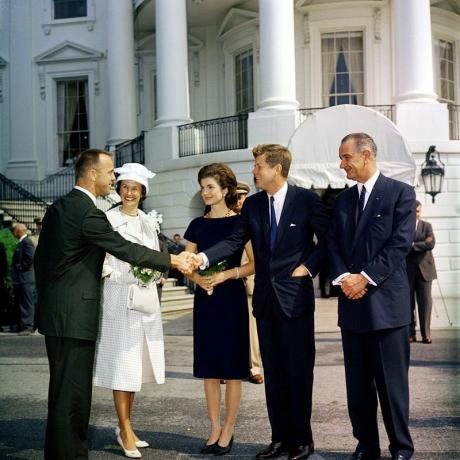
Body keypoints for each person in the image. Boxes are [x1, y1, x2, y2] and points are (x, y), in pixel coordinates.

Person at [34, 149, 193, 460]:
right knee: (74, 396)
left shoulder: (59, 207)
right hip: (75, 316)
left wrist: (53, 298)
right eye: (109, 173)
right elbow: (122, 248)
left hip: (58, 313)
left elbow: (43, 262)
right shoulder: (88, 212)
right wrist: (171, 259)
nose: (113, 179)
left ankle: (60, 451)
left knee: (63, 392)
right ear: (92, 174)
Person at [194, 145, 329, 460]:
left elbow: (328, 240)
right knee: (275, 375)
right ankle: (279, 439)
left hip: (295, 300)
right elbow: (233, 241)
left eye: (257, 166)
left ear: (276, 168)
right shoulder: (253, 205)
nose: (253, 171)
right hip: (266, 303)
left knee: (297, 372)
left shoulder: (306, 200)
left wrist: (307, 267)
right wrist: (202, 257)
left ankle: (302, 441)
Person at [327, 133, 415, 460]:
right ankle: (366, 446)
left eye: (346, 157)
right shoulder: (343, 200)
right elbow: (332, 243)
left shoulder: (400, 194)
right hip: (351, 308)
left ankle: (401, 449)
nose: (341, 164)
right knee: (358, 389)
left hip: (387, 310)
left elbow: (399, 244)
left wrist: (364, 278)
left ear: (366, 155)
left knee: (392, 388)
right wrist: (342, 278)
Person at [93, 163, 166, 458]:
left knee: (134, 367)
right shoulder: (108, 219)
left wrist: (154, 274)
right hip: (120, 298)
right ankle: (124, 429)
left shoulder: (148, 221)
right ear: (119, 190)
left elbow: (157, 256)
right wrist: (125, 275)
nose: (129, 193)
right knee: (122, 365)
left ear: (142, 192)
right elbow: (102, 262)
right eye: (124, 188)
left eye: (135, 189)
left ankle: (127, 425)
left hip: (145, 300)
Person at [184, 163, 254, 456]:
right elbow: (186, 263)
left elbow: (255, 263)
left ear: (226, 190)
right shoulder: (197, 225)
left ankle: (228, 430)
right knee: (210, 370)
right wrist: (199, 280)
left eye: (210, 187)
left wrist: (227, 275)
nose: (205, 192)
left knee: (233, 370)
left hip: (231, 300)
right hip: (206, 300)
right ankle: (213, 428)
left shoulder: (240, 223)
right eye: (202, 187)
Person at [235, 180, 263, 385]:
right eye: (234, 196)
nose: (237, 201)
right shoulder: (224, 218)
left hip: (250, 281)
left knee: (252, 330)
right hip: (228, 280)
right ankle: (229, 368)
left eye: (241, 196)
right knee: (229, 327)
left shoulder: (254, 217)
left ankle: (253, 368)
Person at [406, 200, 437, 344]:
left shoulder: (427, 226)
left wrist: (412, 245)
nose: (417, 214)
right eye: (415, 211)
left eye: (419, 211)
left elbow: (430, 243)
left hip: (425, 271)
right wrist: (420, 245)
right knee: (408, 303)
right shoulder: (404, 227)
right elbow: (401, 244)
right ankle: (410, 334)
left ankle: (426, 334)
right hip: (407, 271)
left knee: (425, 303)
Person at [11, 223, 36, 335]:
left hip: (26, 278)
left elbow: (30, 257)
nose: (13, 232)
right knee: (21, 302)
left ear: (19, 231)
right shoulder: (22, 242)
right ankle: (22, 325)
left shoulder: (26, 242)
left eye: (14, 230)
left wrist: (20, 268)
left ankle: (27, 327)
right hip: (21, 279)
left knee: (27, 303)